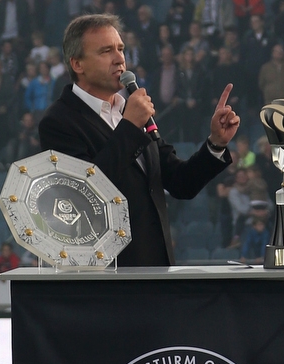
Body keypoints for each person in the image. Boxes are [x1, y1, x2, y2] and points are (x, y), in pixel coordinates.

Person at [38, 14, 240, 267]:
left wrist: (215, 144)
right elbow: (83, 197)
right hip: (108, 277)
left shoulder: (130, 110)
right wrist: (131, 127)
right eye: (106, 51)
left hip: (156, 268)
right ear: (78, 64)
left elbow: (180, 183)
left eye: (121, 49)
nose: (119, 59)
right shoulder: (59, 121)